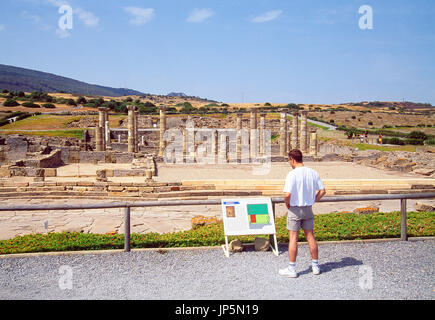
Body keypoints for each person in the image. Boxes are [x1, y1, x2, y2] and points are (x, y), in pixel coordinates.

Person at [279, 149, 326, 278]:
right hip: (308, 209)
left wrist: (287, 203)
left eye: (289, 160)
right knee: (310, 236)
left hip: (295, 209)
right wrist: (313, 200)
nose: (289, 162)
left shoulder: (292, 174)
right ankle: (315, 266)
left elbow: (287, 194)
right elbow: (322, 191)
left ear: (292, 159)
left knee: (293, 238)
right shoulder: (313, 172)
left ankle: (292, 268)